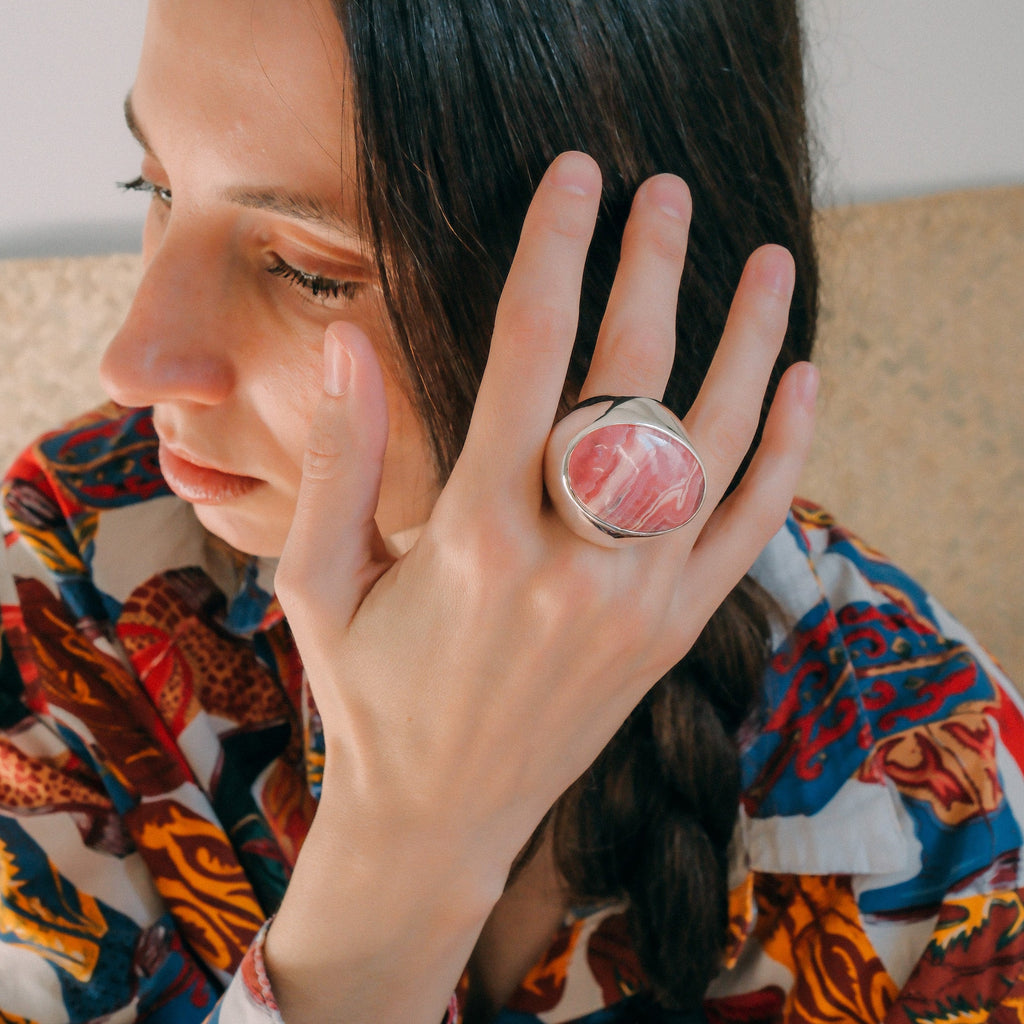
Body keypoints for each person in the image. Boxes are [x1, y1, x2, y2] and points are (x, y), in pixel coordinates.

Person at [1, 1, 1021, 1022]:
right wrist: (403, 851)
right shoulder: (58, 585)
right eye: (157, 188)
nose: (132, 360)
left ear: (638, 297)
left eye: (309, 270)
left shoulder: (934, 804)